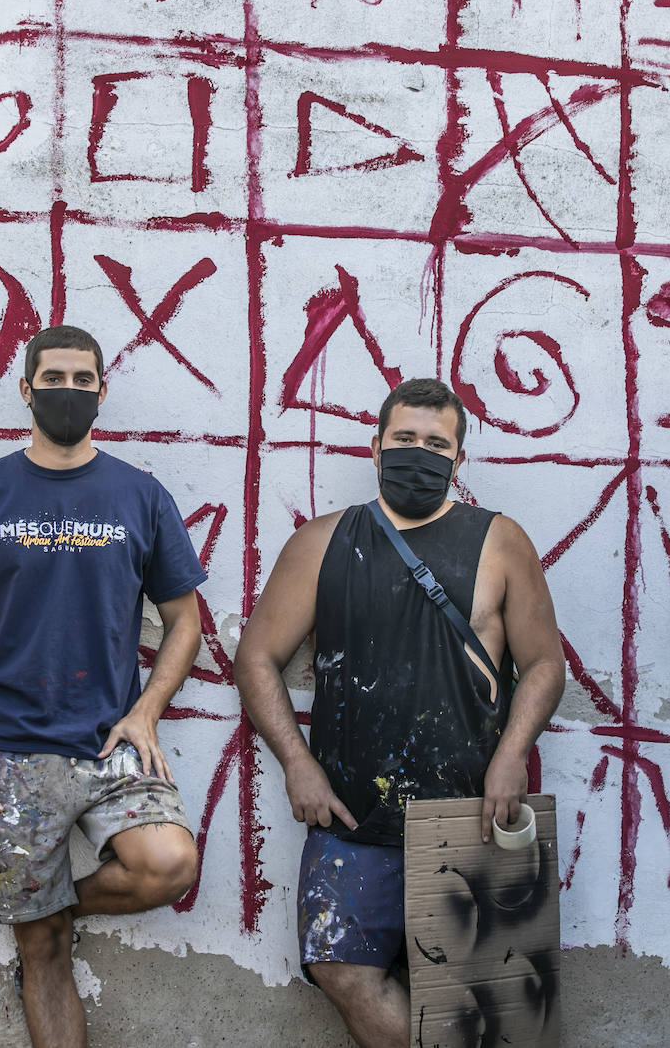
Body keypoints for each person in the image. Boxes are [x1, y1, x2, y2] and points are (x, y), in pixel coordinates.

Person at [234, 377, 565, 1048]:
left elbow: (545, 666)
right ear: (377, 446)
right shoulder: (323, 541)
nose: (420, 453)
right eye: (406, 439)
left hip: (470, 809)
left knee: (489, 1011)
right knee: (341, 970)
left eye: (436, 443)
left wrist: (510, 758)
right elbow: (256, 658)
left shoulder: (500, 542)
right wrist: (297, 763)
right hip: (352, 816)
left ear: (458, 459)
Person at [0, 324, 204, 1048]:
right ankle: (40, 921)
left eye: (84, 381)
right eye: (55, 379)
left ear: (103, 391)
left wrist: (145, 713)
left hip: (110, 739)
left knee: (169, 862)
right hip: (9, 751)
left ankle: (51, 907)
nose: (70, 392)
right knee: (41, 954)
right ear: (26, 389)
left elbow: (185, 622)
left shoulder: (139, 495)